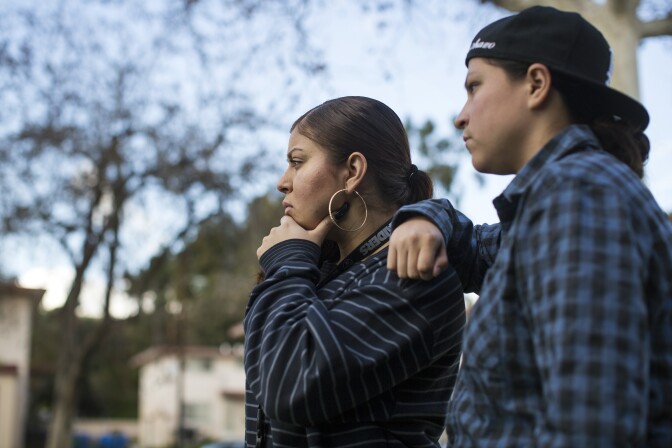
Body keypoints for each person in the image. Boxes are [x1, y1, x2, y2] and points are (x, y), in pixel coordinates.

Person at [387, 6, 672, 447]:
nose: (461, 116)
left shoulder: (578, 196)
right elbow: (477, 247)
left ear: (536, 84)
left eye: (474, 87)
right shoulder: (557, 200)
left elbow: (593, 429)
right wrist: (426, 217)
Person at [243, 96, 466, 447]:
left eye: (297, 162)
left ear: (352, 172)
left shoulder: (413, 274)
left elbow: (291, 388)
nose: (282, 182)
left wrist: (287, 263)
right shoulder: (318, 274)